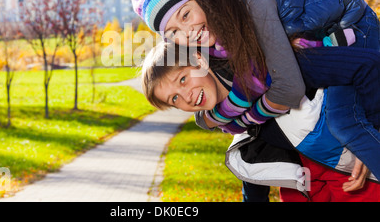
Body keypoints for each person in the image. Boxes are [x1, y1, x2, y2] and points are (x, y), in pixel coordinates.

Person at [131, 0, 380, 179]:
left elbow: (287, 89)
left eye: (185, 14)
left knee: (347, 124)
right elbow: (226, 88)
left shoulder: (251, 3)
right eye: (174, 32)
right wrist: (208, 118)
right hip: (322, 42)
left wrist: (230, 118)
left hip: (352, 24)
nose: (188, 31)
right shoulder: (209, 45)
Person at [140, 41, 380, 201]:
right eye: (174, 98)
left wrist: (369, 142)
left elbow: (363, 70)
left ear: (199, 61)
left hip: (357, 175)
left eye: (183, 79)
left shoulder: (280, 70)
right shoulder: (238, 124)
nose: (186, 96)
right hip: (307, 182)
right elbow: (255, 175)